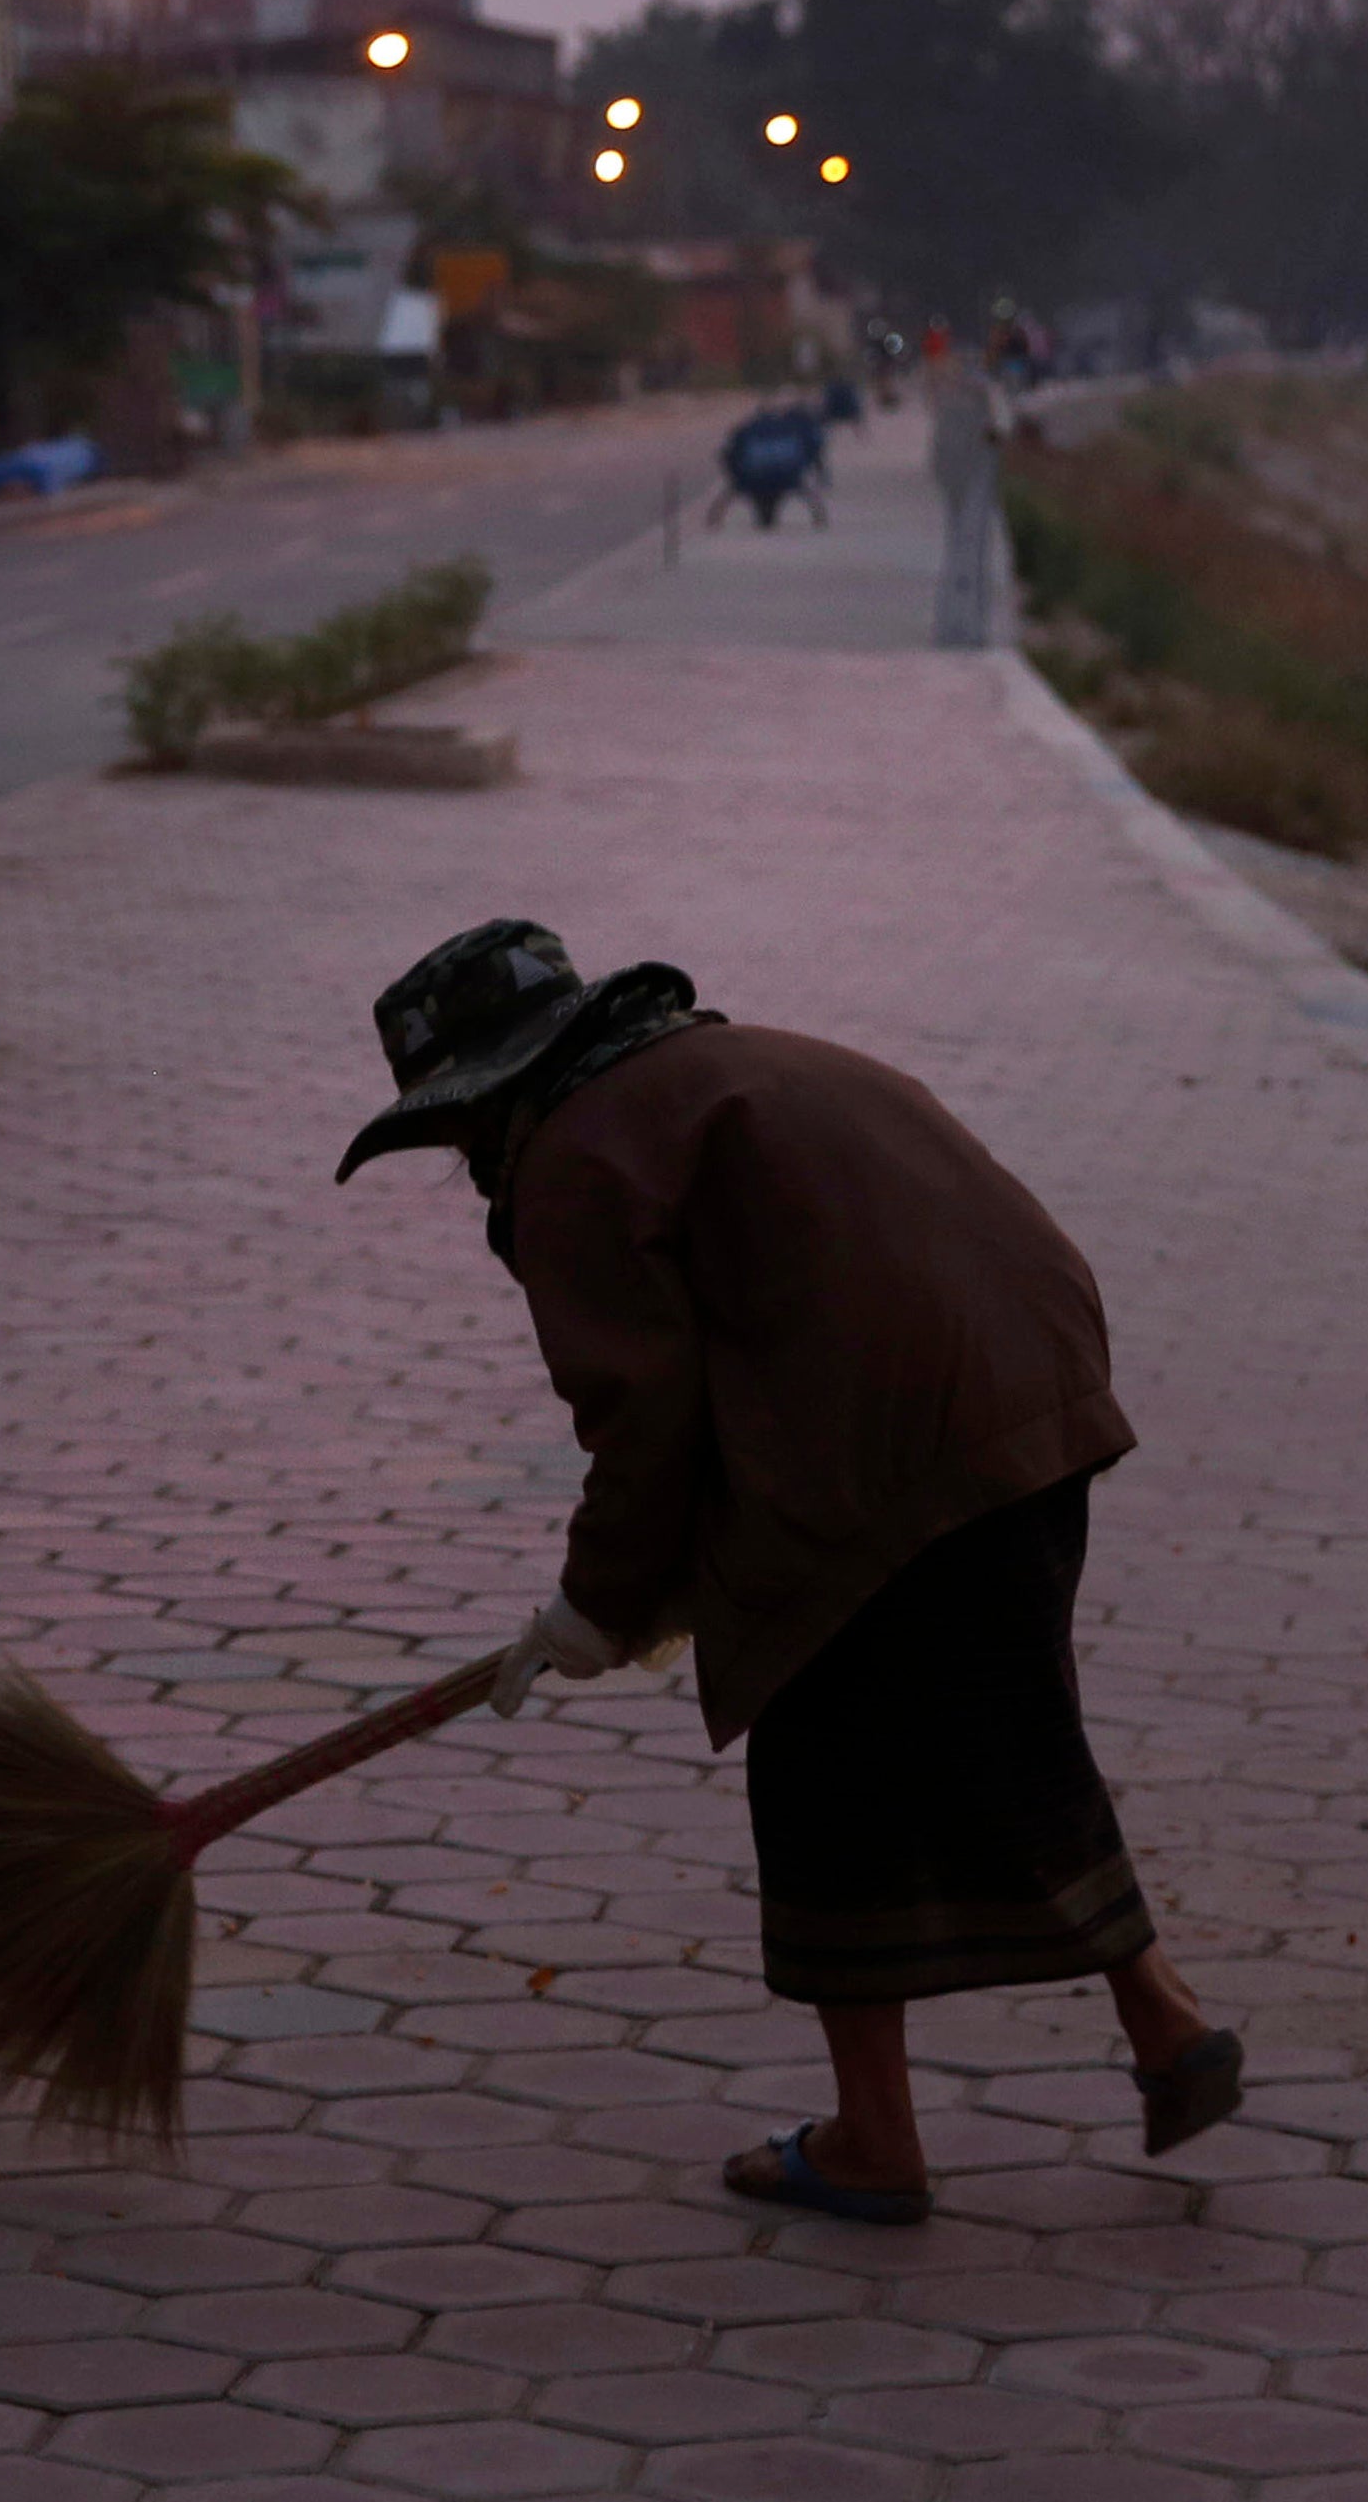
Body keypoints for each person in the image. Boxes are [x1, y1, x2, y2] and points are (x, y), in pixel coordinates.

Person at [337, 918, 1237, 2222]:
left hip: (898, 1443)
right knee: (1008, 1728)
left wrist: (594, 1605)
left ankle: (877, 2139)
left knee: (821, 1771)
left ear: (498, 1091)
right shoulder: (732, 1064)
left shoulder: (577, 1158)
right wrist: (639, 1590)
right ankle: (1167, 2028)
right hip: (1029, 1396)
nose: (469, 1161)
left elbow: (644, 1419)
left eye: (463, 1129)